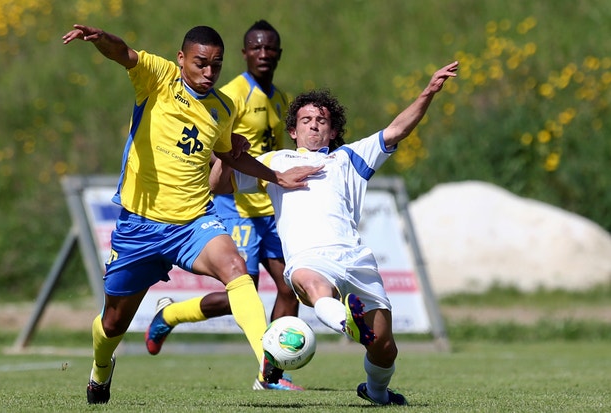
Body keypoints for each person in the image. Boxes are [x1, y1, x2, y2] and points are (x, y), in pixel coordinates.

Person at [61, 24, 320, 405]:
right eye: (201, 63)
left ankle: (266, 361)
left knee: (235, 267)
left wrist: (277, 176)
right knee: (113, 322)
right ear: (182, 59)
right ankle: (101, 368)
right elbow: (124, 53)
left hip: (193, 222)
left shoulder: (222, 107)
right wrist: (102, 39)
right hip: (141, 225)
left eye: (217, 65)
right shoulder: (159, 77)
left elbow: (230, 154)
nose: (209, 73)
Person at [210, 61, 459, 405]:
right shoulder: (277, 161)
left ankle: (375, 392)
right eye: (306, 121)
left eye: (321, 121)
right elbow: (218, 185)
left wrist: (428, 92)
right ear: (294, 131)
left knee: (385, 348)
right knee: (313, 285)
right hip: (308, 258)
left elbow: (397, 130)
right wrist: (229, 154)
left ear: (332, 131)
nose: (314, 126)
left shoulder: (350, 158)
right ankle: (348, 323)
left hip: (355, 258)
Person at [144, 20, 302, 391]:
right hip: (236, 206)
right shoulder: (230, 94)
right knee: (241, 290)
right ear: (245, 53)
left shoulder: (279, 98)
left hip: (268, 208)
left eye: (271, 48)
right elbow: (220, 152)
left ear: (279, 53)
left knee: (289, 286)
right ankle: (170, 314)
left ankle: (274, 370)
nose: (264, 54)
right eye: (256, 48)